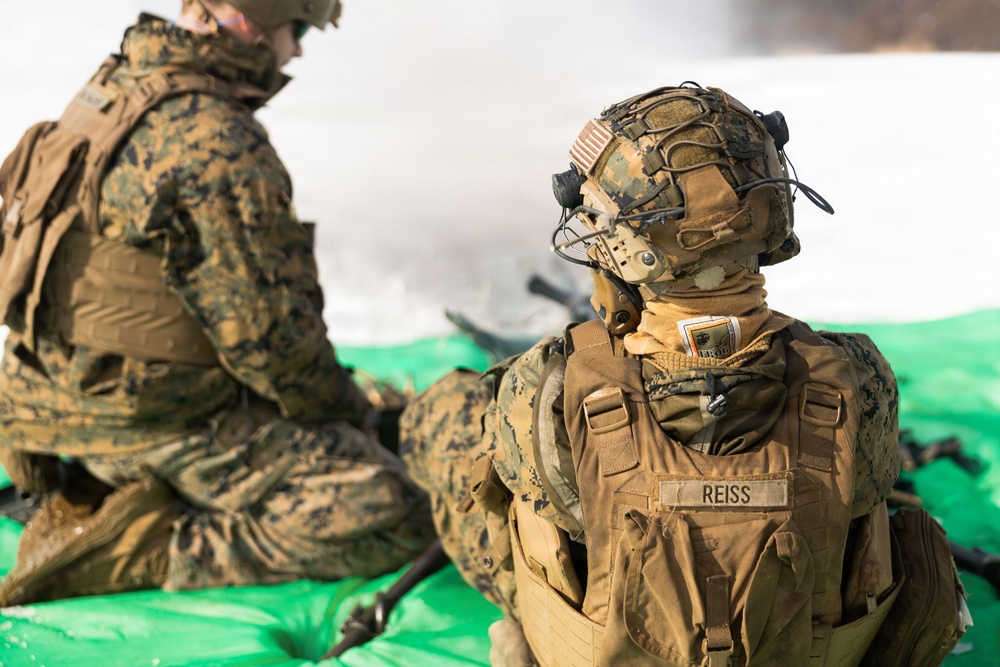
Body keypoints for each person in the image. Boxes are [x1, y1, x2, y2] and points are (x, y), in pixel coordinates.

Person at [400, 84, 968, 666]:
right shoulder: (858, 377)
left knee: (453, 426)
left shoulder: (547, 383)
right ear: (773, 213)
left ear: (622, 245)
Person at [0, 0, 435, 606]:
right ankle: (148, 549)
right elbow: (274, 348)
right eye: (297, 28)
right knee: (396, 510)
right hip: (144, 418)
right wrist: (350, 415)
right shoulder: (216, 139)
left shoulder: (111, 89)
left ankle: (101, 486)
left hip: (41, 399)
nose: (297, 49)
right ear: (252, 22)